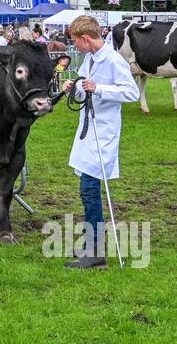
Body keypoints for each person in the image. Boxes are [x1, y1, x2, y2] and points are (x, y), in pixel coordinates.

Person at [60, 14, 140, 269]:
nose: (76, 47)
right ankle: (90, 245)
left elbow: (131, 93)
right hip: (88, 130)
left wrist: (100, 88)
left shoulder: (114, 60)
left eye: (76, 42)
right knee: (87, 187)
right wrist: (73, 87)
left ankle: (95, 252)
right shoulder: (90, 58)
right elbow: (85, 85)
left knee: (90, 188)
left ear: (86, 39)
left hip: (103, 132)